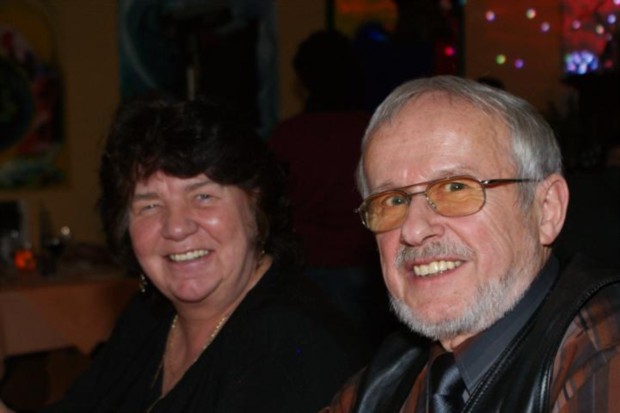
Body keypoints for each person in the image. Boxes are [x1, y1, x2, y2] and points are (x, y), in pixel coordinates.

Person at [0, 98, 368, 413]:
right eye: (149, 205)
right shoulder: (149, 314)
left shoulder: (294, 345)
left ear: (256, 205)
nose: (176, 227)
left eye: (203, 196)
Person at [321, 75, 620, 412]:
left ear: (546, 210)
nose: (414, 230)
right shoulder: (385, 380)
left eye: (455, 188)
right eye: (393, 201)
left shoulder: (603, 354)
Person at [269, 30, 395, 348]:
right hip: (368, 268)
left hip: (307, 268)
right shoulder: (373, 131)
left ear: (305, 80)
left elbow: (273, 209)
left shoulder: (288, 136)